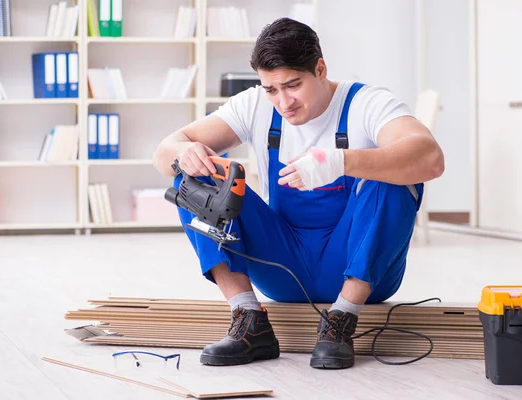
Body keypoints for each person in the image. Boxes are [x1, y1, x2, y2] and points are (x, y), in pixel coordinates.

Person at [153, 17, 444, 370]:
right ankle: (248, 319)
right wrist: (183, 153)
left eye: (293, 85)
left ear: (320, 69)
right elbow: (164, 152)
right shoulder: (255, 105)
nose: (283, 102)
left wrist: (340, 161)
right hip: (282, 265)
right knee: (194, 178)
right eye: (271, 89)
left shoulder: (366, 103)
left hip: (362, 271)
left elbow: (429, 157)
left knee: (392, 174)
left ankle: (341, 320)